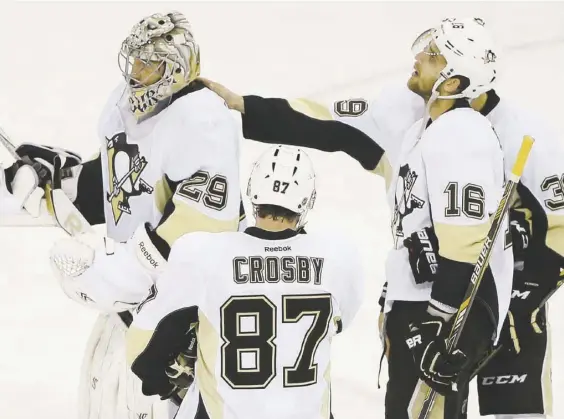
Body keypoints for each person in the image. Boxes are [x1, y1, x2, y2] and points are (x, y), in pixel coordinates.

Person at [201, 17, 516, 418]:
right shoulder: (415, 120)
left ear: (452, 83)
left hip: (445, 312)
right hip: (417, 304)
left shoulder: (463, 136)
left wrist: (443, 329)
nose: (419, 57)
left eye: (433, 56)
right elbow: (330, 125)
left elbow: (467, 246)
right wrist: (246, 105)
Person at [0, 11, 243, 419]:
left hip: (182, 339)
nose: (136, 73)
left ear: (176, 70)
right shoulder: (126, 104)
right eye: (134, 61)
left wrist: (115, 270)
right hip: (128, 321)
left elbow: (198, 231)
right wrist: (55, 183)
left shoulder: (206, 121)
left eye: (149, 65)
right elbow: (120, 181)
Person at [125, 144, 364, 419]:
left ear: (253, 192)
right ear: (306, 202)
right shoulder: (338, 257)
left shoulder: (202, 254)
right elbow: (340, 321)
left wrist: (167, 384)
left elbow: (142, 349)